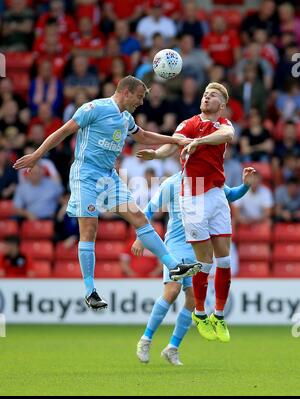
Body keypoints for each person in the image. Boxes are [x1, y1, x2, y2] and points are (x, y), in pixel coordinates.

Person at [13, 75, 201, 310]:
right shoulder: (94, 108)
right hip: (86, 174)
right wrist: (36, 155)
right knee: (89, 228)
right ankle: (90, 291)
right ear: (126, 92)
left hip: (108, 176)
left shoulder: (126, 118)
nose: (141, 102)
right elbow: (63, 132)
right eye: (140, 97)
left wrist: (174, 140)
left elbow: (141, 136)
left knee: (139, 218)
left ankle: (173, 266)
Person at [136, 82, 235, 343]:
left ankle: (219, 315)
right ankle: (200, 314)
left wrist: (197, 143)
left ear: (221, 104)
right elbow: (173, 144)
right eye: (204, 94)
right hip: (192, 195)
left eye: (212, 95)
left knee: (225, 260)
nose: (206, 97)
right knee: (205, 261)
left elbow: (226, 136)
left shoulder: (223, 124)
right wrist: (156, 155)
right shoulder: (188, 123)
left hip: (216, 192)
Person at [134, 167, 255, 365]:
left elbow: (230, 195)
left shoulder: (209, 180)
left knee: (193, 299)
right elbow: (148, 209)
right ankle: (146, 339)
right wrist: (141, 237)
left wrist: (246, 185)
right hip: (176, 246)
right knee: (172, 290)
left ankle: (172, 347)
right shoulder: (171, 183)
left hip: (198, 249)